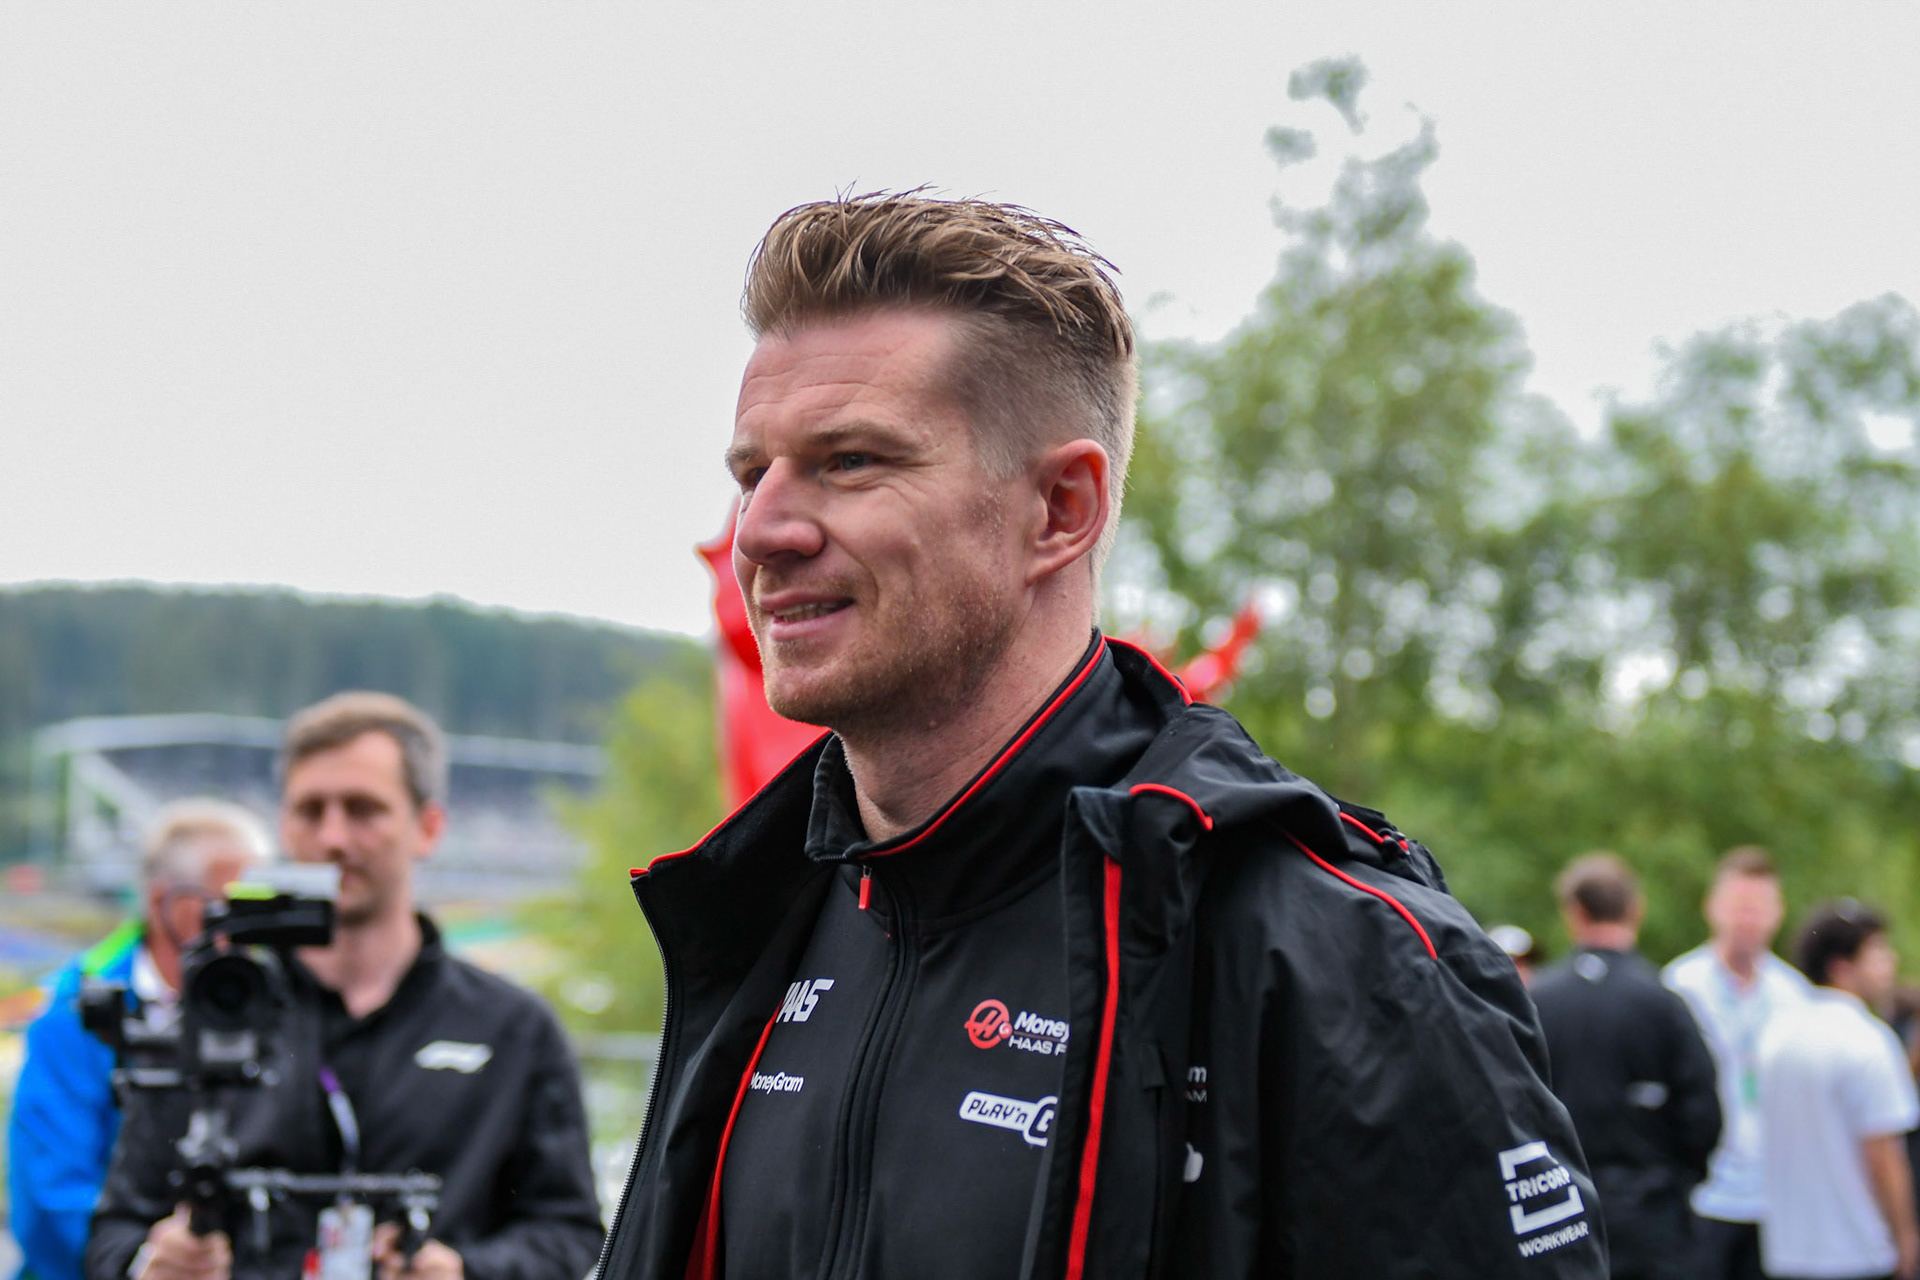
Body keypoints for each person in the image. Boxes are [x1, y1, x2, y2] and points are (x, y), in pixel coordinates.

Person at [597, 193, 1605, 1278]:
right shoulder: (752, 911)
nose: (760, 531)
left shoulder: (1340, 961)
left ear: (1060, 509)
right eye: (752, 473)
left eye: (849, 460)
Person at [85, 693, 604, 1280]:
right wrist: (150, 1264)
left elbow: (572, 1234)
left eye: (363, 809)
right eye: (311, 811)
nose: (333, 837)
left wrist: (465, 1272)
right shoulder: (216, 1014)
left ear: (428, 827)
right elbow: (112, 1233)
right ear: (284, 826)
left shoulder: (514, 1030)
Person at [8, 801, 271, 1280]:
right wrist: (138, 1262)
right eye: (228, 903)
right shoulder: (76, 1013)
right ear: (162, 900)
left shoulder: (272, 1001)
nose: (246, 924)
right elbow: (52, 1195)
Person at [1530, 853, 1722, 1280]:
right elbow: (1704, 1112)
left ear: (1574, 912)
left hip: (1559, 1212)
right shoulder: (1662, 1002)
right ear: (1636, 909)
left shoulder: (1538, 1001)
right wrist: (1679, 1177)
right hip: (1651, 1215)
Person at [1663, 846, 1812, 1280]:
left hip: (1778, 1197)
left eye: (1760, 906)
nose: (1749, 918)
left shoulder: (1794, 994)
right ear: (1712, 906)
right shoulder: (1680, 987)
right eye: (1739, 905)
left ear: (1779, 912)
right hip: (1704, 1195)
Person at [1757, 901, 1920, 1280]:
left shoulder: (1776, 1035)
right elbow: (1884, 1155)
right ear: (1841, 966)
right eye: (1877, 951)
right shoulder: (1867, 1039)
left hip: (1786, 1251)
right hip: (1856, 1251)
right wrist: (1905, 1237)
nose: (1890, 961)